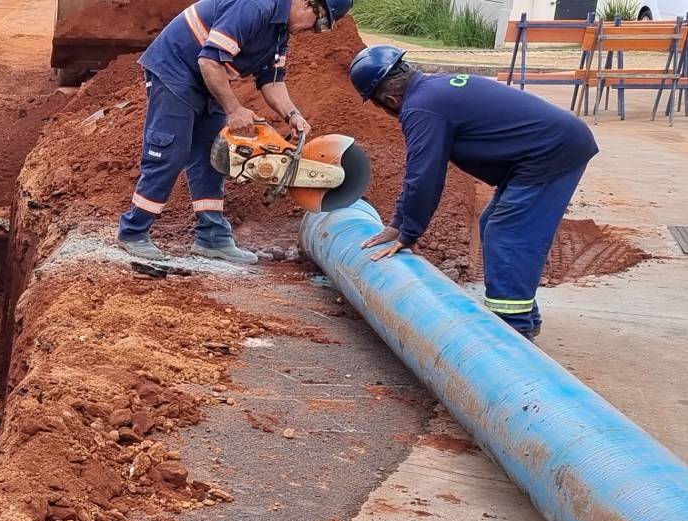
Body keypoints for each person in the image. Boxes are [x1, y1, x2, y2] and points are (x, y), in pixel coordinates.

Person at [349, 45, 599, 340]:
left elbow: (424, 176)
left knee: (508, 232)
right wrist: (398, 224)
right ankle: (524, 318)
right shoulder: (432, 90)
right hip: (543, 150)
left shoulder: (421, 108)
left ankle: (512, 329)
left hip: (550, 152)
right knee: (493, 223)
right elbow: (419, 173)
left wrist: (409, 233)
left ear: (389, 100)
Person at [117, 0, 354, 264]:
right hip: (176, 70)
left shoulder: (279, 32)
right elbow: (209, 61)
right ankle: (133, 232)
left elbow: (272, 81)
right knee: (171, 152)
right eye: (319, 22)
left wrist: (293, 115)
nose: (313, 31)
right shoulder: (256, 7)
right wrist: (233, 109)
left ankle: (212, 238)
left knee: (214, 157)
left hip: (208, 80)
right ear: (309, 3)